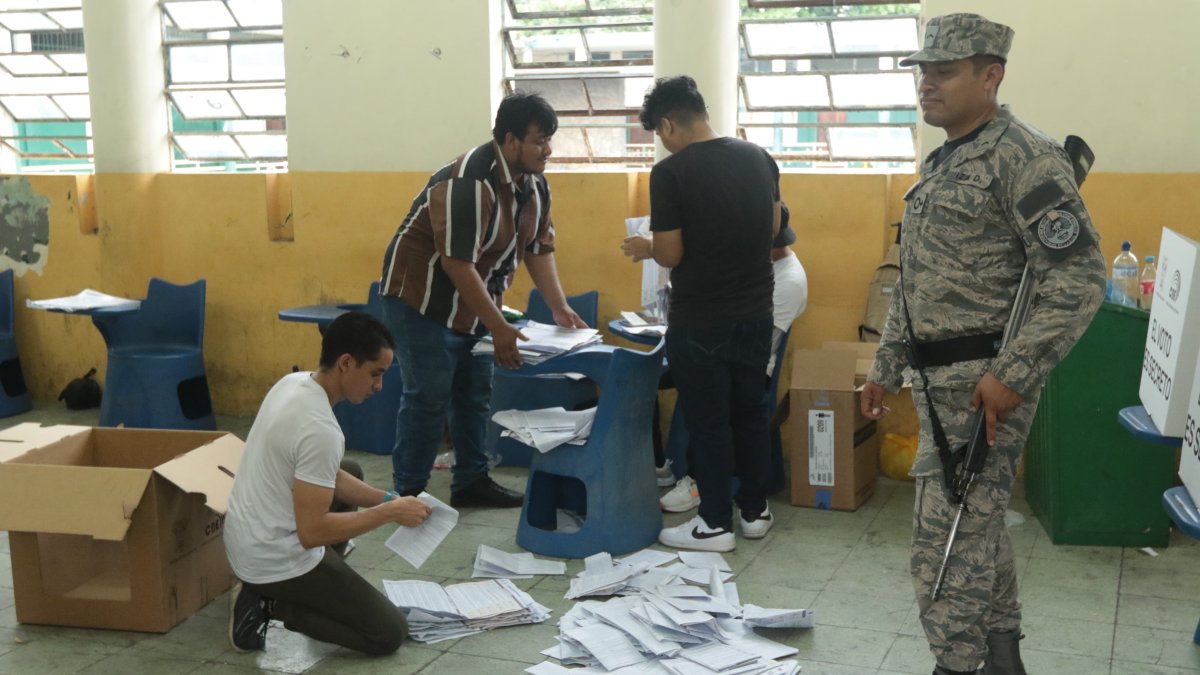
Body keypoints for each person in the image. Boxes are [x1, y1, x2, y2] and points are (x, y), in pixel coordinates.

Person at [860, 14, 1105, 675]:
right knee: (978, 530)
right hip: (936, 384)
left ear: (990, 74)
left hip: (984, 390)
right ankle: (1001, 660)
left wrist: (1014, 375)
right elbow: (915, 278)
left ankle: (957, 664)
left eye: (945, 71)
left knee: (941, 552)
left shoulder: (1024, 158)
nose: (927, 85)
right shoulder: (944, 160)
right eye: (923, 71)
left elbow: (1080, 278)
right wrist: (886, 364)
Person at [378, 92, 586, 508]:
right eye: (538, 140)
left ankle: (471, 481)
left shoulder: (535, 185)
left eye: (550, 140)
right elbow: (458, 263)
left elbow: (538, 250)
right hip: (422, 299)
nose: (547, 150)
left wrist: (560, 307)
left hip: (474, 301)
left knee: (473, 393)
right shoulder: (470, 180)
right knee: (428, 395)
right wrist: (499, 327)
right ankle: (408, 494)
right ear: (510, 140)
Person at [621, 75, 780, 552]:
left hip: (702, 319)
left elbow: (670, 254)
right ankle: (755, 511)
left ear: (668, 124)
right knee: (750, 412)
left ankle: (714, 523)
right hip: (756, 313)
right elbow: (773, 226)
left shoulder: (671, 173)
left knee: (710, 422)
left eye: (659, 133)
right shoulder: (757, 156)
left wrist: (648, 245)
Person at [224, 311, 433, 655]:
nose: (379, 386)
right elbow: (312, 532)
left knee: (348, 468)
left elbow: (326, 475)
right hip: (271, 559)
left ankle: (304, 587)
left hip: (246, 538)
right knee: (388, 632)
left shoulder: (293, 383)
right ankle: (270, 604)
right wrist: (389, 513)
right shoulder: (320, 429)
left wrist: (387, 499)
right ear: (346, 363)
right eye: (375, 374)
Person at [657, 202, 807, 513]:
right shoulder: (767, 267)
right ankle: (666, 464)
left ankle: (699, 482)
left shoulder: (787, 280)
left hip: (749, 366)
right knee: (658, 374)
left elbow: (756, 343)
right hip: (735, 353)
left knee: (696, 379)